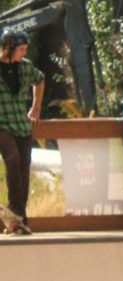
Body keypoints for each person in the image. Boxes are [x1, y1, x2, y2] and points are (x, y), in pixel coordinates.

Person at [0, 30, 44, 233]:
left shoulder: (25, 67)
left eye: (25, 50)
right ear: (8, 49)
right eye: (21, 50)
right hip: (2, 124)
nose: (24, 54)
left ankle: (20, 217)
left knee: (24, 169)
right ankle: (15, 207)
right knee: (12, 158)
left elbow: (40, 80)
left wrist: (35, 108)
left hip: (21, 123)